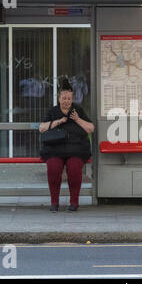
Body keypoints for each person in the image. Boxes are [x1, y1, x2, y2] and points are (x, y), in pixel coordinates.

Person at [39, 78, 94, 212]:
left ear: (72, 99)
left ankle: (74, 202)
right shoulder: (53, 111)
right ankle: (54, 202)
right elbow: (41, 128)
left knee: (74, 169)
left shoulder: (78, 111)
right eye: (64, 98)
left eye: (69, 99)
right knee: (53, 168)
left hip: (76, 149)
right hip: (55, 149)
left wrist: (77, 119)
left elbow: (90, 128)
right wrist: (57, 122)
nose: (67, 101)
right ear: (59, 98)